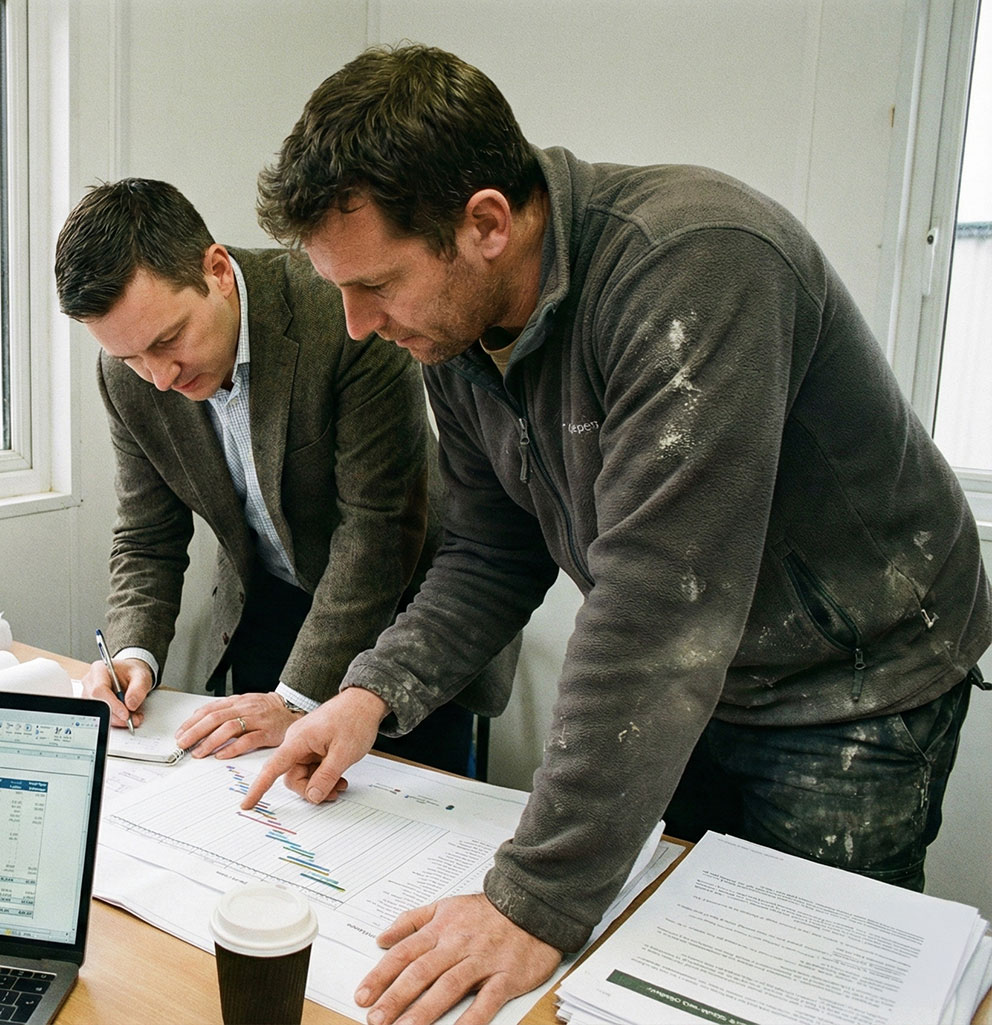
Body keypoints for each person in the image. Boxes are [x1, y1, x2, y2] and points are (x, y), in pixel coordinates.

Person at [243, 43, 992, 1025]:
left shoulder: (697, 266)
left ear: (485, 223)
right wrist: (373, 690)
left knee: (791, 987)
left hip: (849, 681)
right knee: (655, 961)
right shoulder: (453, 334)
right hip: (699, 676)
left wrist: (530, 896)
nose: (353, 324)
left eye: (375, 284)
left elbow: (653, 609)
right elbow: (486, 552)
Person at [54, 178, 508, 775]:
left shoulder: (343, 312)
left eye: (168, 340)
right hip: (267, 597)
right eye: (131, 357)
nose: (158, 377)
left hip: (403, 606)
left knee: (394, 804)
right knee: (258, 789)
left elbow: (378, 529)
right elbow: (146, 534)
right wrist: (132, 651)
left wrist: (296, 699)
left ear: (216, 270)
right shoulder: (127, 376)